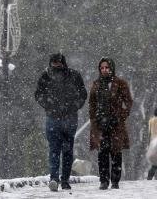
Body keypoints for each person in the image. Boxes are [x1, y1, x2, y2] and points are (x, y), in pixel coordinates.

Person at [35, 53, 87, 191]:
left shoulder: (74, 75)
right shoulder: (45, 76)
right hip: (53, 118)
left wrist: (73, 106)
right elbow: (38, 94)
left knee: (67, 150)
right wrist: (49, 105)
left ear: (63, 63)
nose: (56, 65)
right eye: (54, 62)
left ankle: (64, 180)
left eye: (58, 62)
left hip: (69, 118)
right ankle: (54, 178)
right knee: (54, 149)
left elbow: (83, 94)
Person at [89, 57, 133, 190]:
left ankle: (115, 181)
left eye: (107, 67)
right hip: (100, 125)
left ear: (111, 68)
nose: (104, 70)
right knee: (102, 153)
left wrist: (121, 116)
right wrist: (94, 119)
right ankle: (104, 181)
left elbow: (128, 102)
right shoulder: (96, 84)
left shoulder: (120, 83)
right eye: (102, 68)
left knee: (116, 153)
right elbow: (92, 103)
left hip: (116, 125)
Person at [147, 108, 157, 180]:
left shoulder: (151, 121)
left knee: (154, 163)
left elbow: (149, 133)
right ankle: (150, 177)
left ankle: (149, 177)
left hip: (153, 142)